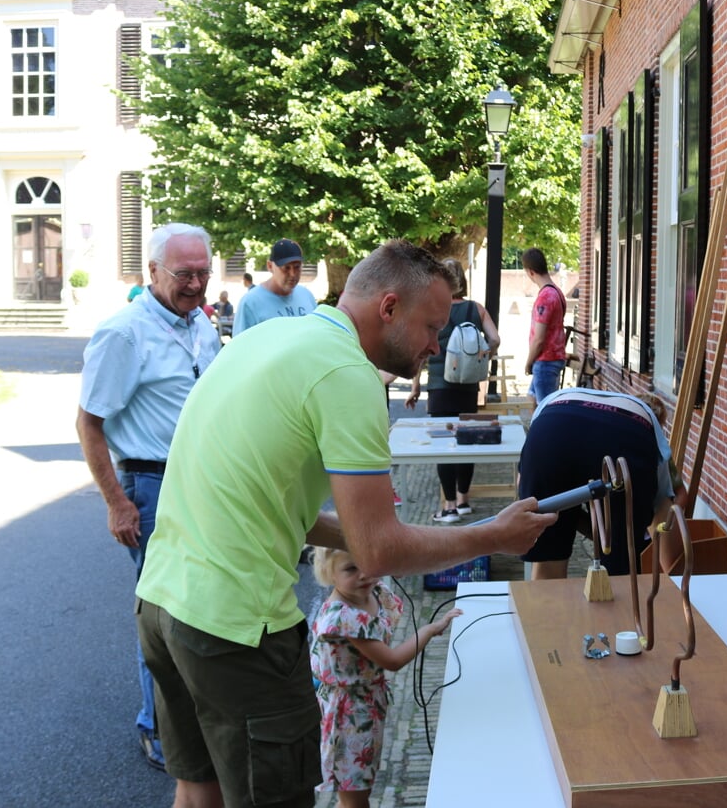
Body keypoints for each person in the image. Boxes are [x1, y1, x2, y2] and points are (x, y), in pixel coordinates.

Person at [134, 238, 556, 808]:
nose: (439, 343)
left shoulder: (271, 337)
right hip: (236, 628)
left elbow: (275, 505)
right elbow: (378, 552)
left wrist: (365, 530)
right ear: (388, 309)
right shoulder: (347, 373)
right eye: (433, 326)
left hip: (163, 604)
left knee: (198, 789)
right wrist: (493, 535)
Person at [76, 222, 221, 772]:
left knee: (199, 608)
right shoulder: (124, 333)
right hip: (153, 485)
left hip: (202, 484)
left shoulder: (200, 325)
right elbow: (90, 425)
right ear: (153, 272)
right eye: (185, 274)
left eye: (204, 273)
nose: (196, 284)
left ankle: (187, 722)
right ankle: (158, 729)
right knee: (162, 614)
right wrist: (117, 501)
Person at [310, 547, 462, 808]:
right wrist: (429, 630)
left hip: (366, 707)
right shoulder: (344, 618)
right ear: (329, 573)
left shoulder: (371, 591)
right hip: (347, 718)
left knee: (357, 790)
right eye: (350, 569)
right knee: (355, 798)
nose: (364, 574)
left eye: (367, 563)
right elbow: (392, 660)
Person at [518, 387, 675, 580]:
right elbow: (664, 512)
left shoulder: (552, 401)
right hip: (626, 437)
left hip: (552, 426)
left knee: (548, 559)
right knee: (622, 567)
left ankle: (546, 607)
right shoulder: (652, 433)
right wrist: (672, 574)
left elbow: (527, 497)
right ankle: (620, 605)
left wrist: (563, 521)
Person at [405, 258, 501, 523]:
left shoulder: (432, 310)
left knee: (443, 446)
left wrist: (415, 387)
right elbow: (495, 339)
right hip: (468, 387)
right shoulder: (476, 309)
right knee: (466, 442)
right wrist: (483, 354)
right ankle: (464, 500)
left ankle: (448, 508)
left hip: (439, 387)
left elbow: (419, 352)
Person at [233, 237, 318, 335]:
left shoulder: (306, 295)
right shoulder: (251, 302)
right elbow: (240, 346)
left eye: (297, 267)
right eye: (286, 268)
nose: (293, 274)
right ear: (270, 266)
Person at [521, 247, 567, 406]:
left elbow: (539, 339)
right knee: (531, 399)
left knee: (544, 409)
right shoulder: (557, 292)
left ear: (530, 272)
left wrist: (528, 361)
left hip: (545, 361)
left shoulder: (545, 297)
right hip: (553, 358)